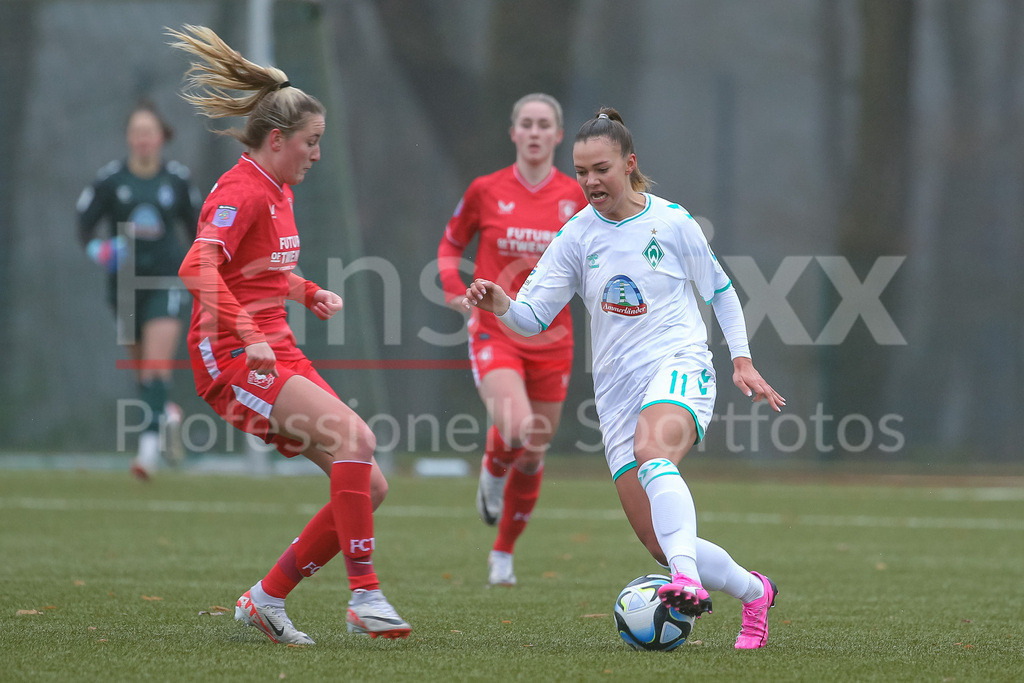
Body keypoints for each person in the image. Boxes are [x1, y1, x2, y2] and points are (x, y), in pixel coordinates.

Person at [464, 108, 785, 649]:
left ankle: (684, 582)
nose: (590, 181)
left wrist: (742, 360)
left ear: (630, 165)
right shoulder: (575, 236)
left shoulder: (673, 221)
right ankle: (754, 594)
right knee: (660, 542)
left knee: (653, 453)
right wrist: (500, 303)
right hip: (615, 396)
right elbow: (532, 318)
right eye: (582, 171)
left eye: (601, 169)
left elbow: (721, 291)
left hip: (680, 365)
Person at [167, 24, 410, 644]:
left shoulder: (278, 189)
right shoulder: (242, 189)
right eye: (312, 142)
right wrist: (248, 332)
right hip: (231, 358)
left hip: (274, 350)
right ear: (278, 140)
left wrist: (305, 291)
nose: (317, 154)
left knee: (369, 482)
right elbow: (197, 267)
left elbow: (261, 267)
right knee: (356, 437)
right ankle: (364, 596)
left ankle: (267, 598)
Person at [437, 93, 587, 587]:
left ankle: (503, 552)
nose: (536, 132)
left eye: (545, 124)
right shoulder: (486, 189)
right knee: (519, 428)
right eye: (527, 123)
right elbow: (452, 242)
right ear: (514, 133)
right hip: (495, 328)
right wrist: (455, 292)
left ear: (559, 135)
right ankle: (492, 469)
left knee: (536, 450)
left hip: (553, 335)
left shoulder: (577, 196)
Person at [77, 100, 200, 480]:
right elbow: (84, 224)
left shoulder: (176, 180)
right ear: (129, 137)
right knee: (142, 370)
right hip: (125, 285)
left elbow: (199, 228)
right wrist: (99, 249)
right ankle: (166, 414)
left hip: (166, 279)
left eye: (149, 132)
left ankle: (147, 452)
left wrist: (199, 269)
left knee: (156, 366)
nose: (143, 139)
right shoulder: (111, 180)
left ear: (161, 137)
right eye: (136, 132)